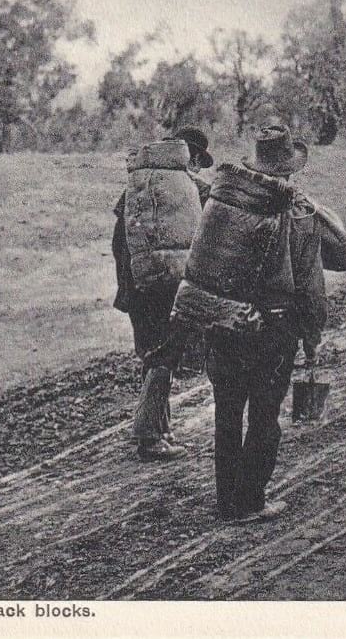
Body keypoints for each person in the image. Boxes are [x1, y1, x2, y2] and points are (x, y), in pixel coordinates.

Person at [172, 124, 334, 522]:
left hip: (224, 324)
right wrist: (312, 334)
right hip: (273, 330)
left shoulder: (222, 204)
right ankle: (251, 501)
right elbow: (311, 286)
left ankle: (227, 500)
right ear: (291, 170)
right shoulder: (300, 214)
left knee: (227, 414)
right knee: (265, 416)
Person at [112, 127, 212, 461]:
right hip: (165, 289)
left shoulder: (136, 193)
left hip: (137, 288)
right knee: (164, 358)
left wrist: (129, 290)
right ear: (192, 157)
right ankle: (150, 437)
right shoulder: (187, 192)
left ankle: (160, 427)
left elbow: (120, 244)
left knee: (152, 356)